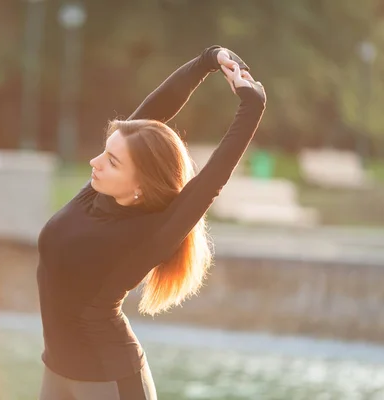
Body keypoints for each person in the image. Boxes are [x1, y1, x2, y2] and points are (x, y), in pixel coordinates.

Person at [36, 45, 266, 400]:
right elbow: (150, 116)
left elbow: (212, 180)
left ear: (140, 184)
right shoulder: (97, 194)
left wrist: (252, 107)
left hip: (109, 382)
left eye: (112, 161)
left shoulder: (149, 234)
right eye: (104, 151)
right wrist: (207, 60)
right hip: (56, 372)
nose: (95, 162)